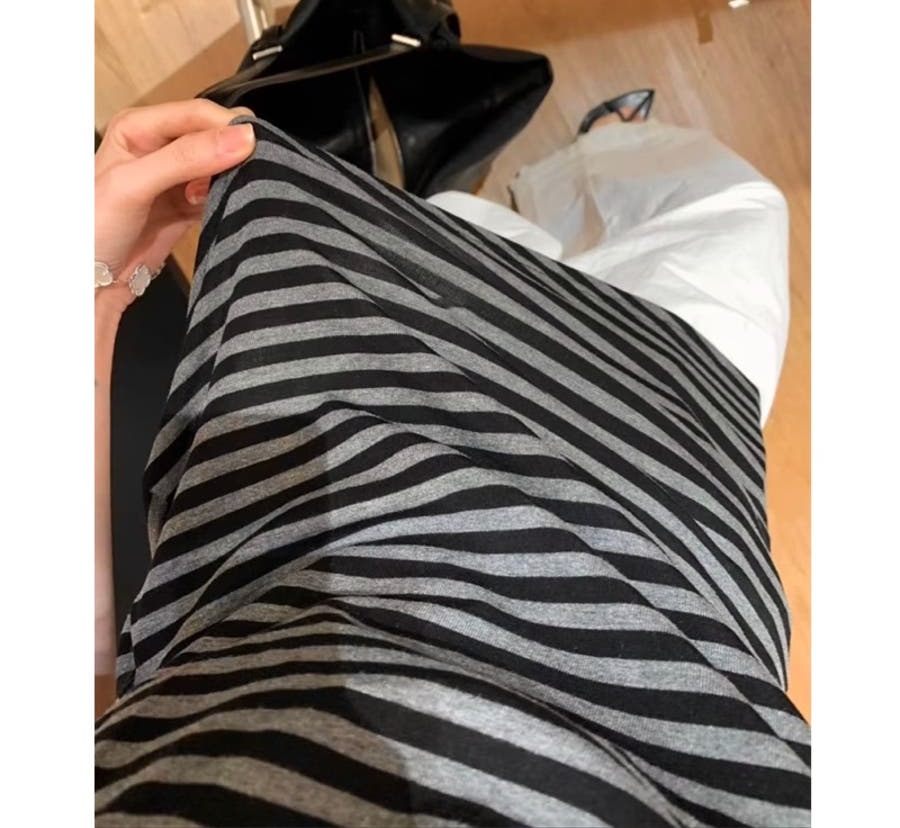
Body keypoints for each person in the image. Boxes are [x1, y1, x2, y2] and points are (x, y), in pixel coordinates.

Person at [95, 98, 809, 826]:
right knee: (733, 213)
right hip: (669, 470)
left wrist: (100, 295)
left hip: (394, 370)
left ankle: (570, 169)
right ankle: (598, 149)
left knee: (488, 223)